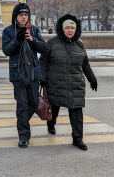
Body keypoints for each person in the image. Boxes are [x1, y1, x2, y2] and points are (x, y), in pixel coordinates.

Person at [40, 14, 98, 151]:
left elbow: (85, 65)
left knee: (76, 111)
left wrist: (92, 79)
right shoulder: (53, 42)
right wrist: (42, 78)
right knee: (54, 108)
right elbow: (43, 61)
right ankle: (51, 123)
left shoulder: (80, 44)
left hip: (75, 83)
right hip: (56, 83)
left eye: (72, 28)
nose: (70, 30)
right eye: (67, 28)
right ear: (62, 29)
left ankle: (78, 139)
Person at [2, 3, 47, 148]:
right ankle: (24, 136)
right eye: (21, 15)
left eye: (26, 15)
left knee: (33, 103)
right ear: (15, 17)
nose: (24, 17)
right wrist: (18, 39)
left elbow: (44, 48)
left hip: (33, 72)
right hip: (18, 73)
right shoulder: (8, 31)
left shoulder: (33, 29)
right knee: (22, 105)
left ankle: (22, 123)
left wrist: (32, 40)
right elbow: (7, 50)